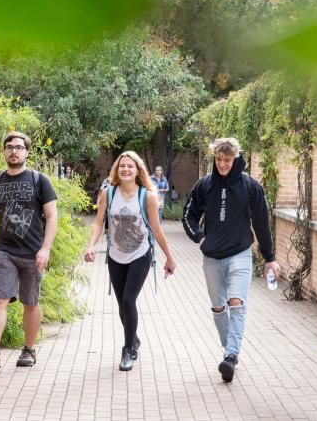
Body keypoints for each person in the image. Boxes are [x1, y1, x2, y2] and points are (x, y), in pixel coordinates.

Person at [182, 137, 281, 383]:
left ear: (235, 159)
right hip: (212, 256)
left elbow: (261, 223)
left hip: (240, 254)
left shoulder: (250, 186)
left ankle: (231, 357)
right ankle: (230, 350)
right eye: (218, 159)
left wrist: (270, 258)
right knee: (218, 306)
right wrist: (200, 238)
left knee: (236, 303)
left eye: (226, 160)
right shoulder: (204, 185)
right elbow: (188, 215)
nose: (222, 164)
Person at [84, 152, 177, 371]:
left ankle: (128, 350)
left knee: (128, 300)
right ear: (117, 170)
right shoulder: (109, 193)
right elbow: (99, 223)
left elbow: (156, 229)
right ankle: (133, 338)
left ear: (138, 171)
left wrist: (169, 257)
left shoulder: (148, 196)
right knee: (121, 307)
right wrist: (90, 246)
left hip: (140, 255)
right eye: (122, 166)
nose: (125, 169)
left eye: (130, 166)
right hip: (115, 255)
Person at [0, 131, 58, 369]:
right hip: (5, 251)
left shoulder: (39, 180)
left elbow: (52, 216)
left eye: (19, 147)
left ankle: (29, 350)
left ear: (27, 152)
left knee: (30, 302)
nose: (14, 151)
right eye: (9, 147)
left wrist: (45, 249)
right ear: (4, 151)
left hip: (33, 253)